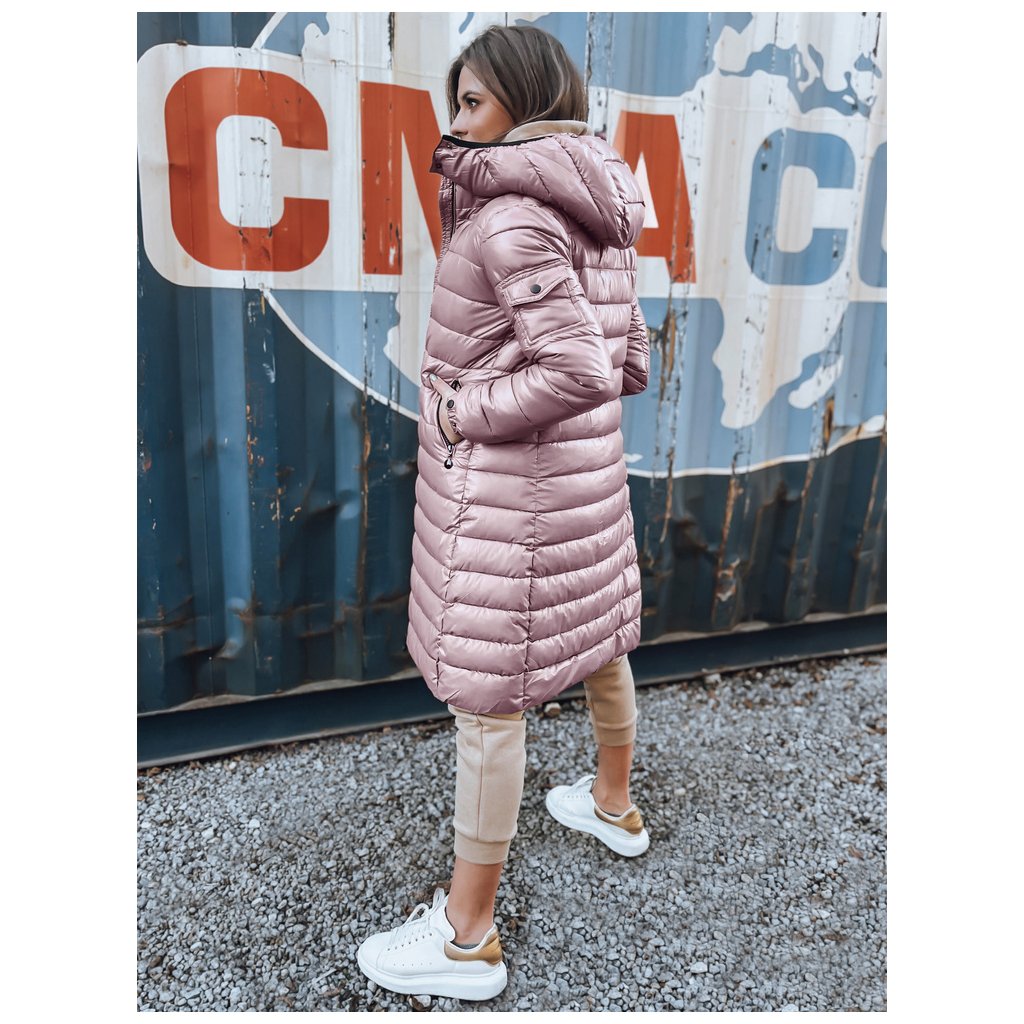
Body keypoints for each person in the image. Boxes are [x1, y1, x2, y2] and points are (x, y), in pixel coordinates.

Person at [356, 23, 651, 1002]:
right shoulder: (603, 204)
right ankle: (612, 805)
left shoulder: (511, 220)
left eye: (473, 101)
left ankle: (465, 938)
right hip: (585, 487)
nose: (456, 122)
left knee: (489, 705)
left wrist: (459, 410)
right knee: (597, 637)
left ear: (523, 102)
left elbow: (579, 369)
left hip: (510, 503)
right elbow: (628, 364)